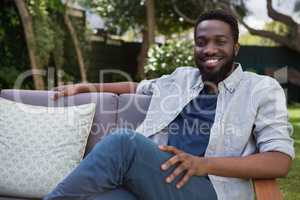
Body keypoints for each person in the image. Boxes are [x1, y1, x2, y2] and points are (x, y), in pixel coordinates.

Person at [45, 10, 294, 200]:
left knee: (123, 142)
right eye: (201, 41)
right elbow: (140, 87)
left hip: (212, 188)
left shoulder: (261, 89)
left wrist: (203, 165)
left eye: (220, 41)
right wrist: (87, 87)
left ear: (236, 47)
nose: (209, 49)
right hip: (160, 178)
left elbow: (279, 161)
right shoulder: (182, 78)